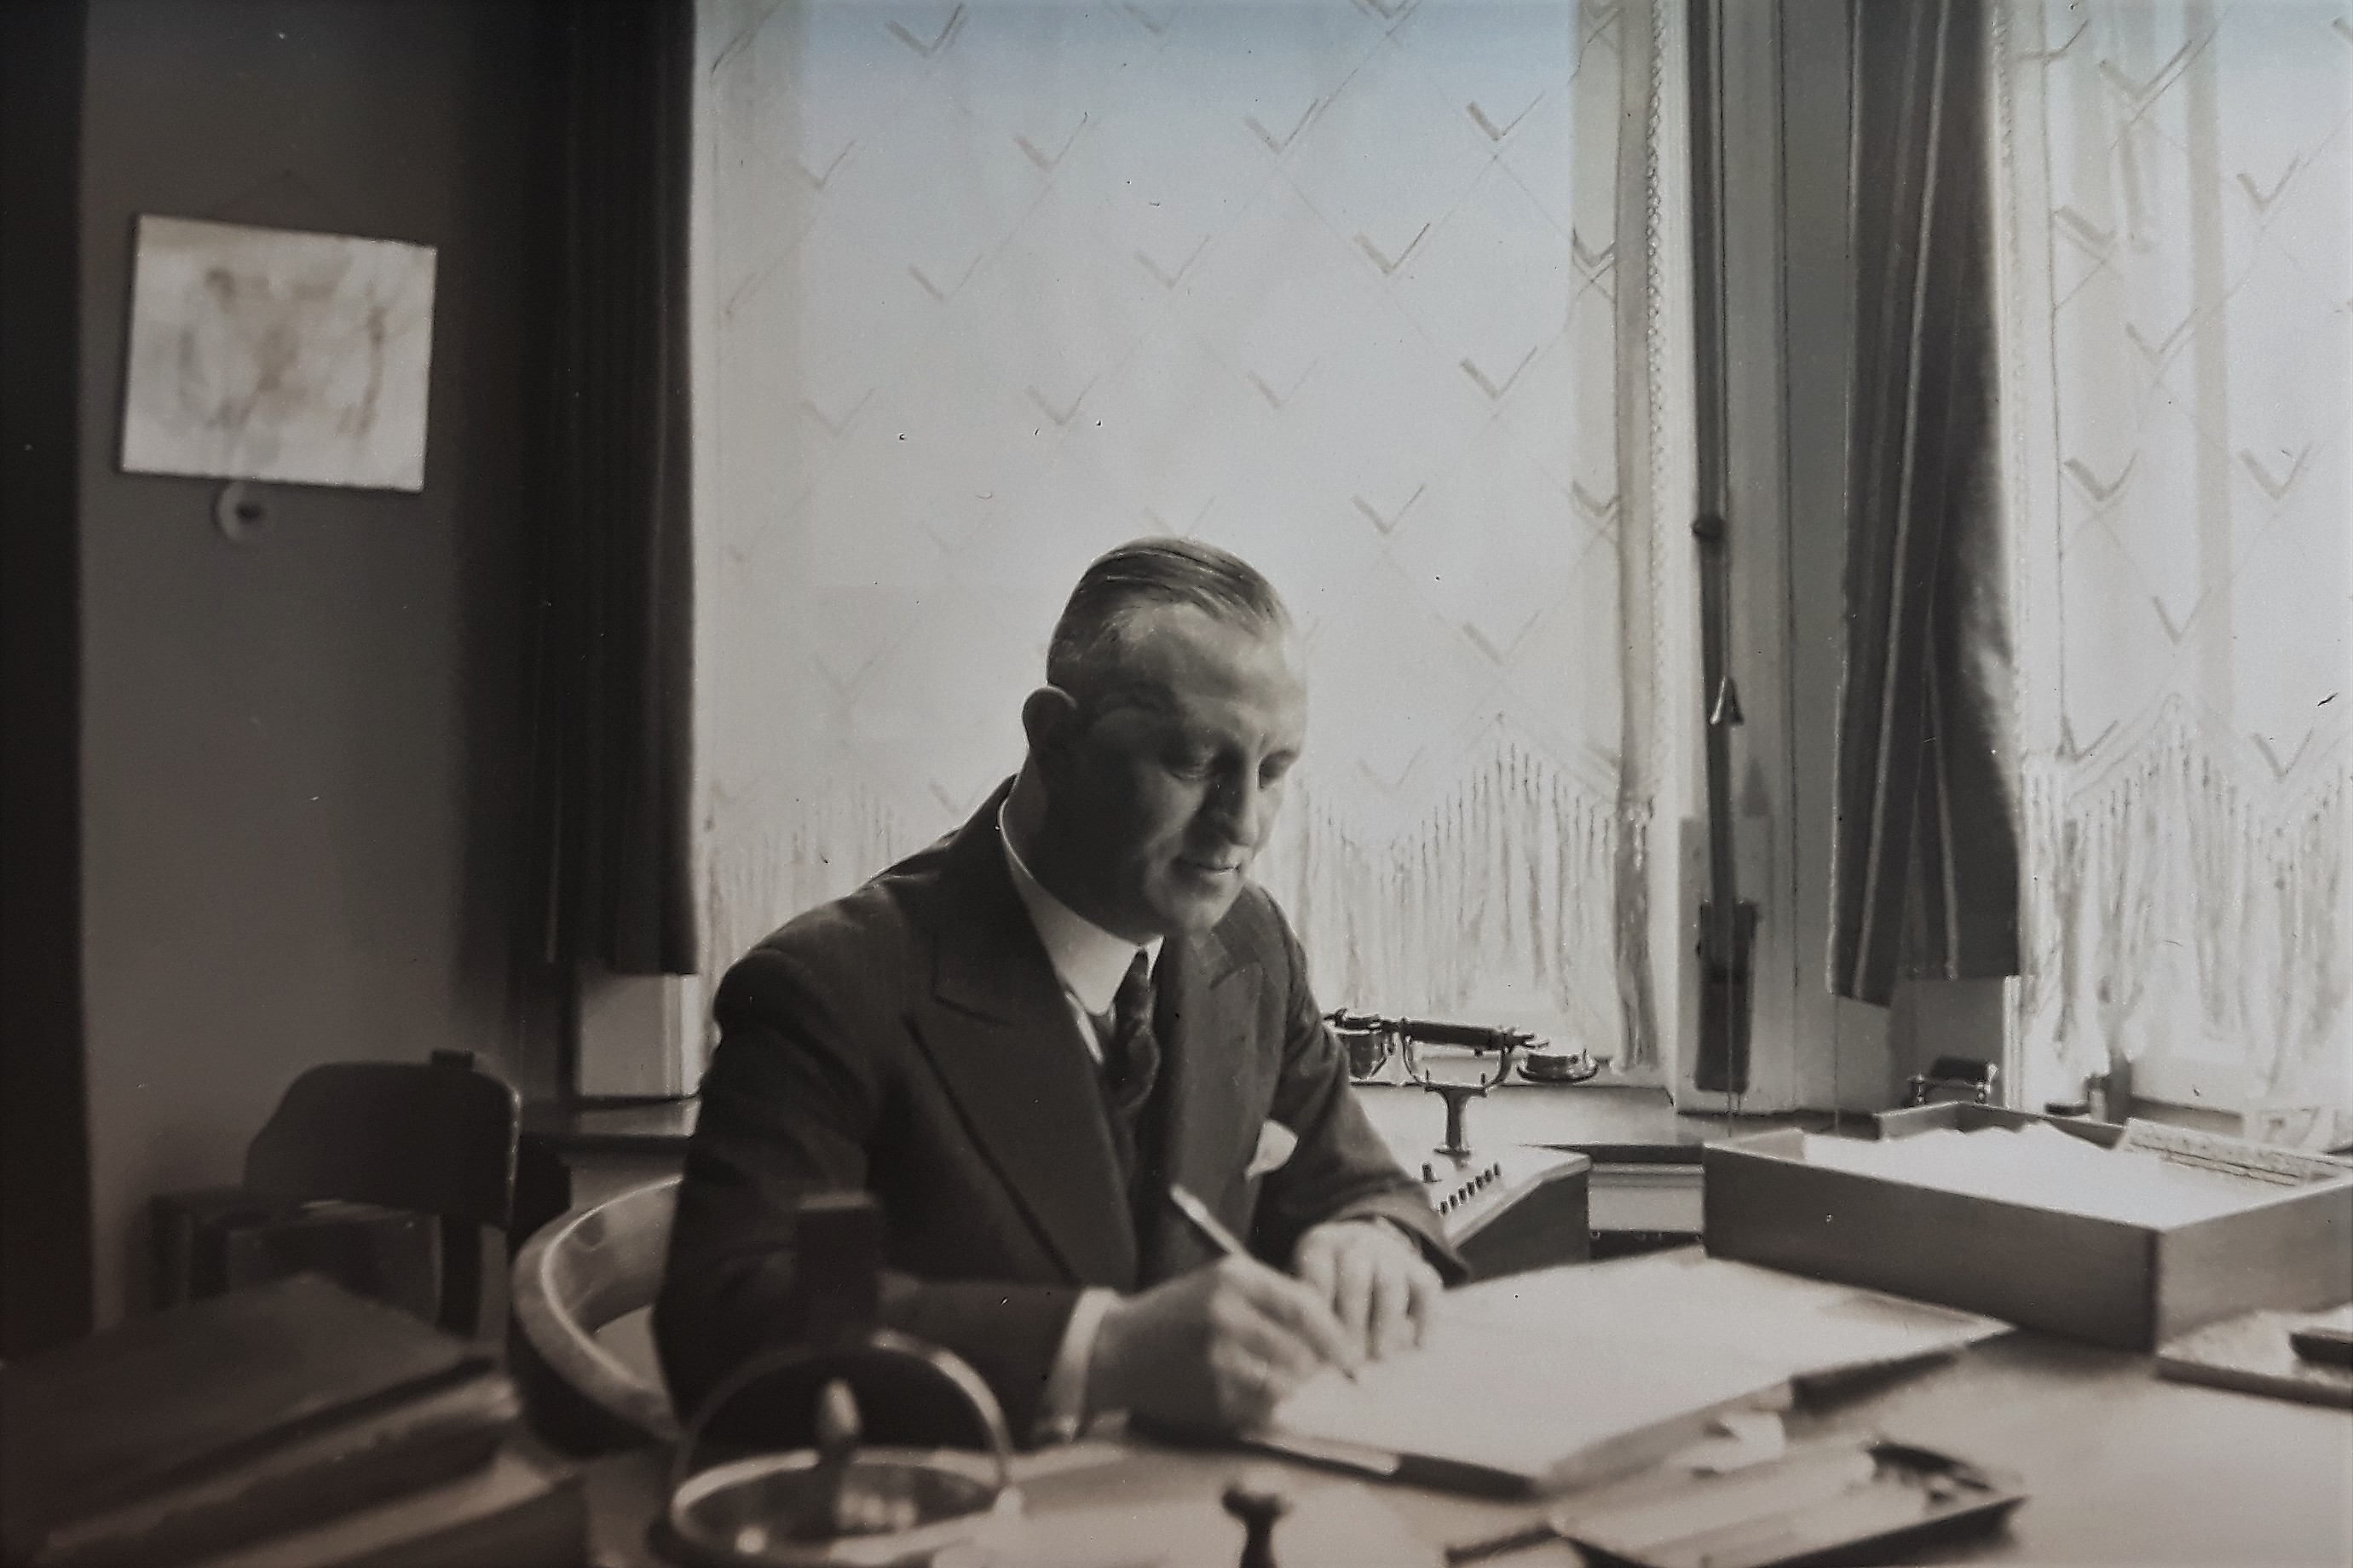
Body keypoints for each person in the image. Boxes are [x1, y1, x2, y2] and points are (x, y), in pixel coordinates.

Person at [655, 539, 1457, 1445]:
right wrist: (1100, 1349)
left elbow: (1361, 1184)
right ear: (1054, 738)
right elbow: (727, 1321)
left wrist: (1372, 1237)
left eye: (1271, 771)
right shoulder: (830, 988)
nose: (1242, 823)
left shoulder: (1249, 943)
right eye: (1194, 762)